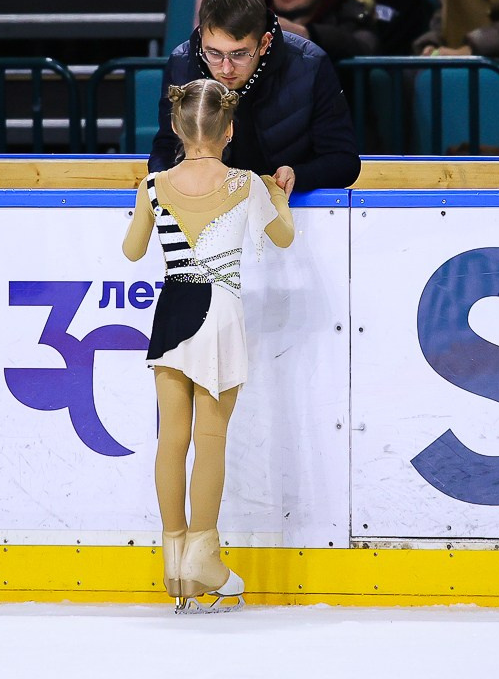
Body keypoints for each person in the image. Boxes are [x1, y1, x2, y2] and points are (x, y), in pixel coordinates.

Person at [123, 78, 295, 611]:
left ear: (177, 127)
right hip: (218, 311)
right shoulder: (245, 183)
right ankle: (203, 550)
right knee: (211, 436)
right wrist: (280, 196)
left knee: (171, 438)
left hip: (172, 309)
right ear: (230, 130)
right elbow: (283, 236)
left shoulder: (153, 184)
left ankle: (174, 558)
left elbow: (132, 251)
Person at [149, 0, 362, 195]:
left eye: (239, 54)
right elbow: (167, 145)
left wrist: (298, 174)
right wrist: (169, 184)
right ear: (201, 38)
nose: (225, 68)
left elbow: (343, 161)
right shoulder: (182, 63)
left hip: (290, 209)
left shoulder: (311, 65)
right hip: (206, 205)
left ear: (264, 43)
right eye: (213, 53)